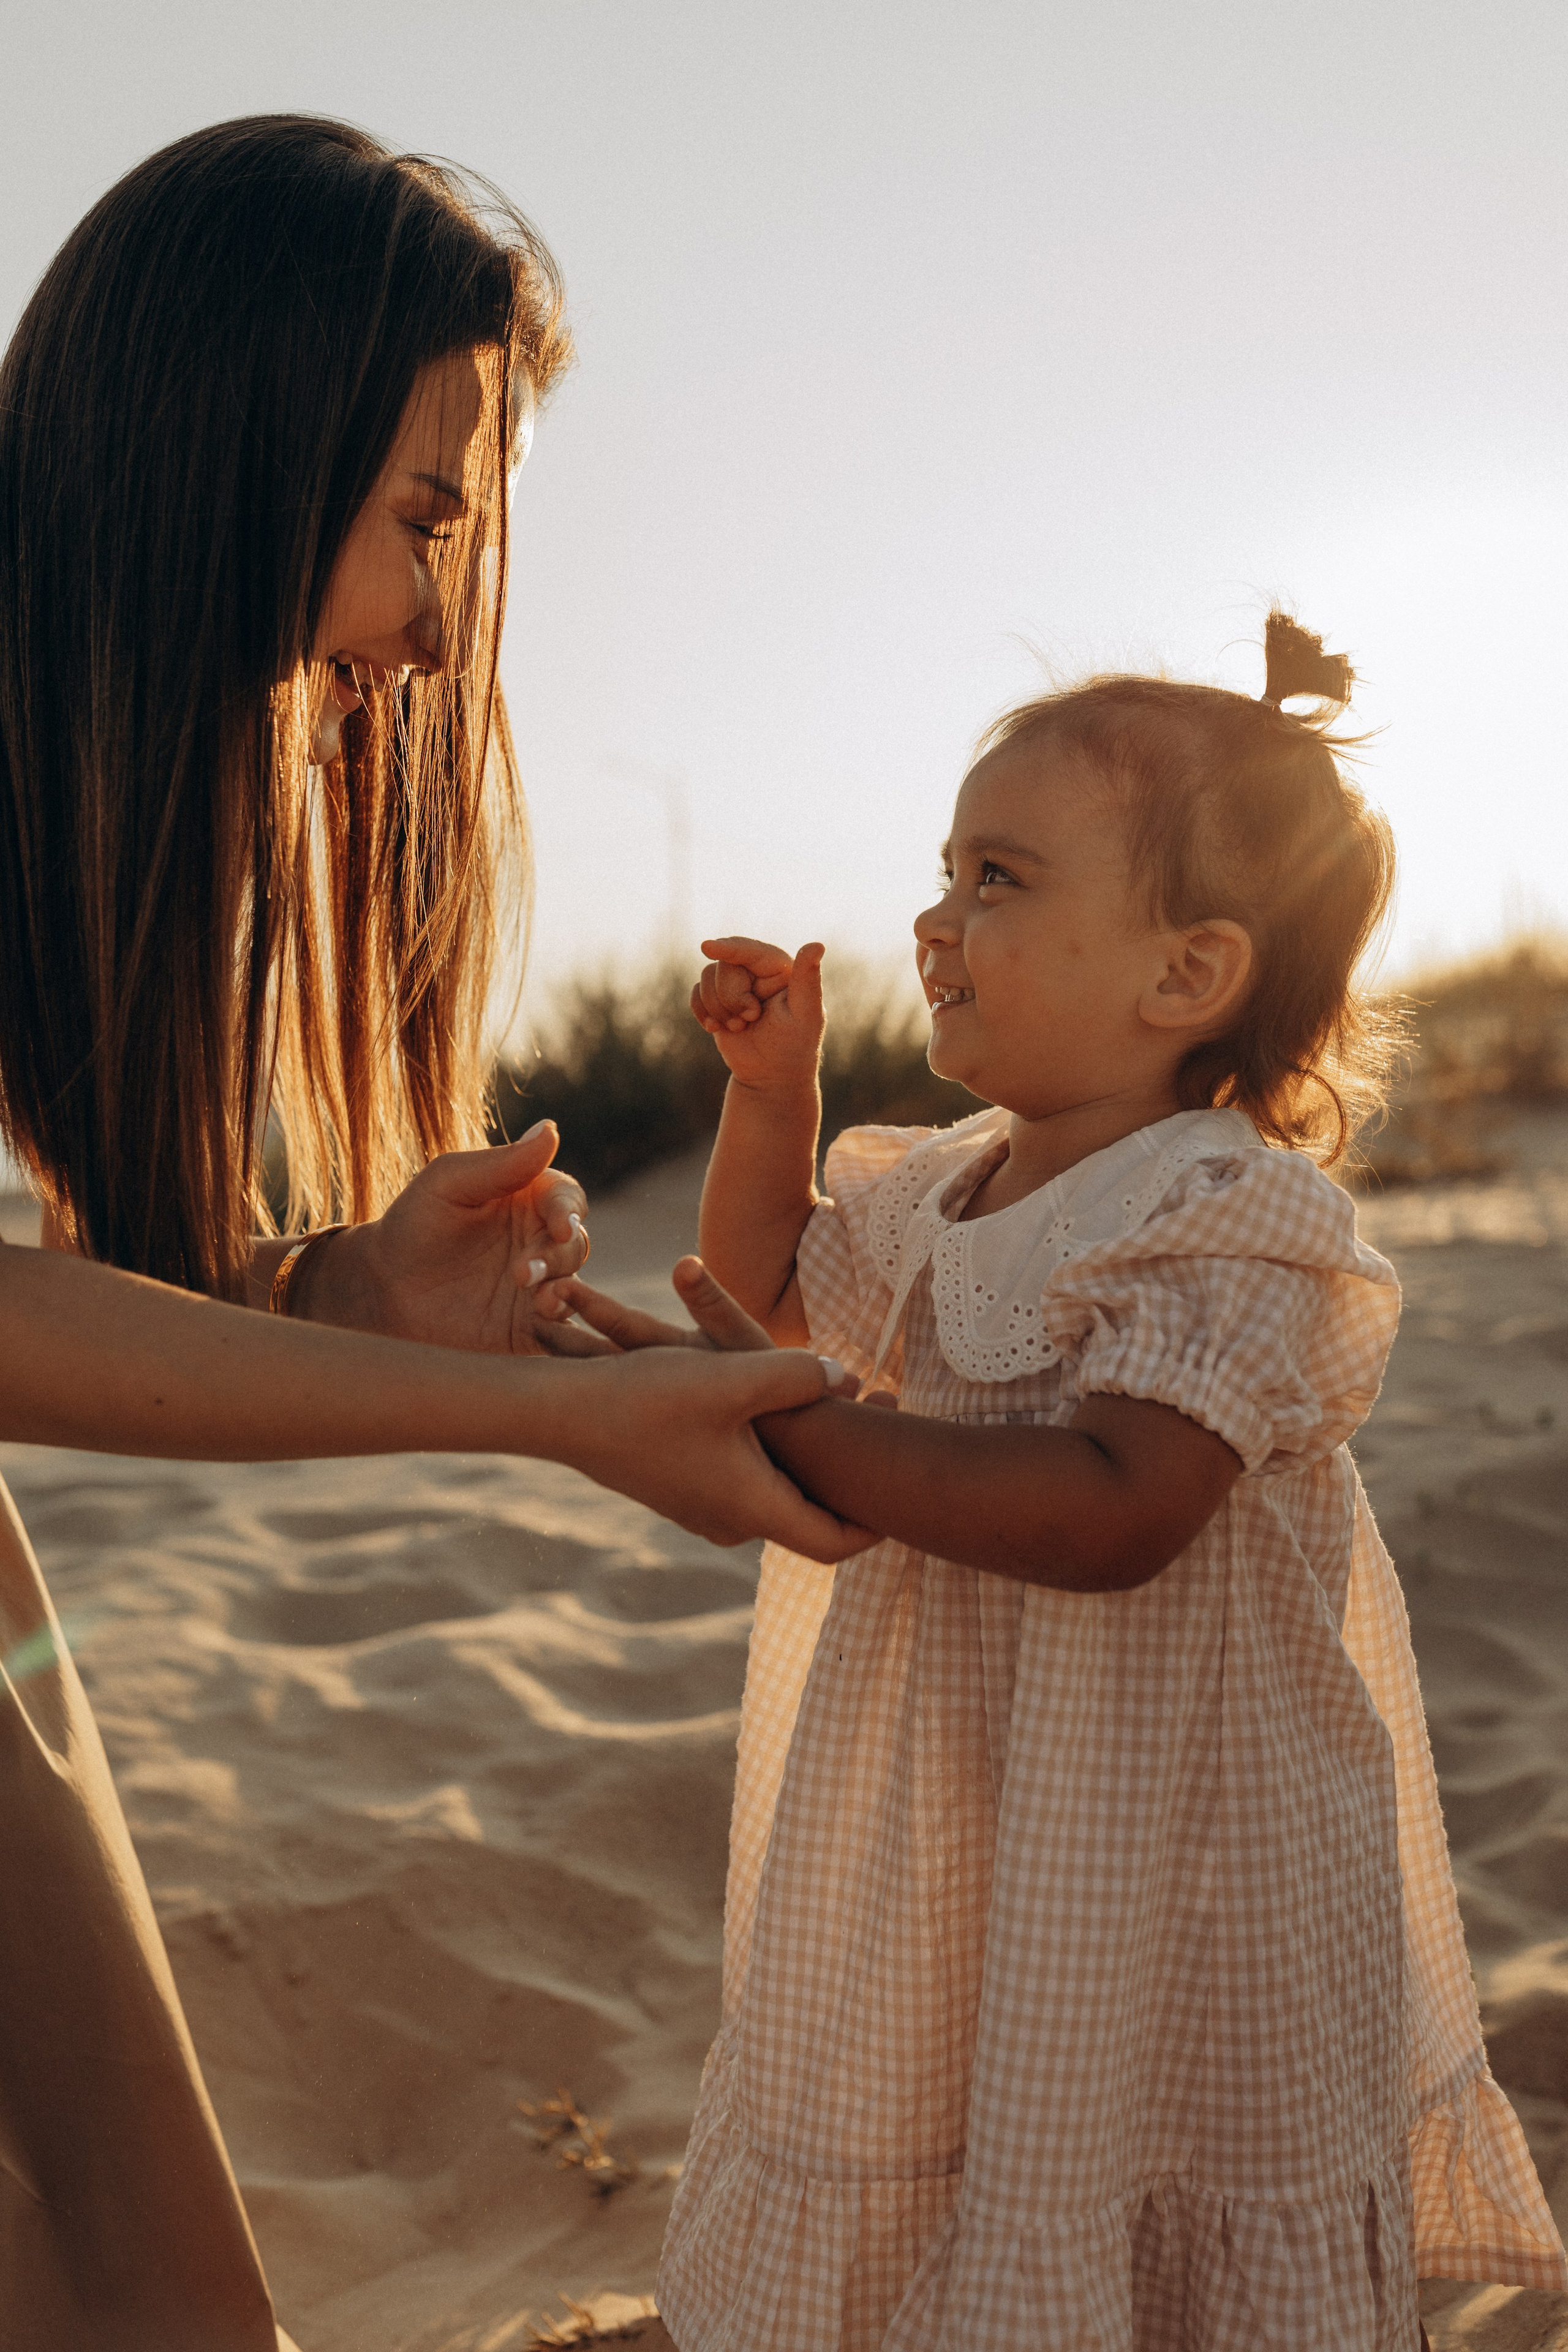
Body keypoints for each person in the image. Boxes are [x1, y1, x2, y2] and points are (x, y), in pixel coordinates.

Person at [0, 116, 857, 2352]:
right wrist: (546, 1431)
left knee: (152, 2283)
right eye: (419, 524)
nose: (426, 626)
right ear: (232, 443)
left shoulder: (75, 781)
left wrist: (338, 1293)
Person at [575, 617, 1568, 2350]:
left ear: (1185, 977)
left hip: (1174, 1823)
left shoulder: (1226, 1214)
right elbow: (780, 1304)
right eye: (946, 870)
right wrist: (771, 1103)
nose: (937, 918)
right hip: (951, 1790)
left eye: (1000, 877)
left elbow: (1119, 1507)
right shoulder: (949, 1186)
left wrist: (786, 1421)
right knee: (949, 2107)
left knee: (1138, 2150)